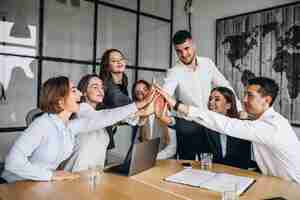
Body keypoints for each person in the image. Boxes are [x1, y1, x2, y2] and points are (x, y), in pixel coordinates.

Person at [1, 76, 155, 183]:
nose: (80, 94)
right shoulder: (41, 125)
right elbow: (12, 164)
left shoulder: (69, 127)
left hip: (41, 183)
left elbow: (106, 117)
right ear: (60, 101)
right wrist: (50, 176)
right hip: (15, 185)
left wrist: (143, 108)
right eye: (74, 90)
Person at [157, 77, 300, 183]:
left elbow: (226, 124)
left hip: (293, 187)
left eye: (250, 95)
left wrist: (176, 105)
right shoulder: (261, 122)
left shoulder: (271, 127)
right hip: (275, 182)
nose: (243, 100)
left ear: (267, 100)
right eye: (244, 94)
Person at [163, 30, 240, 160]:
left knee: (210, 164)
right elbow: (165, 96)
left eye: (186, 48)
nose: (184, 54)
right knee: (187, 165)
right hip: (188, 125)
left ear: (193, 45)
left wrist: (239, 109)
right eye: (179, 51)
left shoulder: (207, 63)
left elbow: (225, 85)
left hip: (209, 122)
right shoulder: (174, 72)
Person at [208, 87, 252, 169]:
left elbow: (245, 160)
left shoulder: (241, 127)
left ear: (228, 105)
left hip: (237, 174)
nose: (211, 102)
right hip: (210, 173)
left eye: (217, 99)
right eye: (210, 99)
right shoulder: (205, 127)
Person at [132, 80, 176, 159]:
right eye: (138, 93)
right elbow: (136, 144)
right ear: (137, 99)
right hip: (146, 162)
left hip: (165, 162)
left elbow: (172, 148)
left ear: (151, 91)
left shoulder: (166, 112)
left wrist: (153, 157)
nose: (144, 94)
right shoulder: (139, 118)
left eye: (145, 90)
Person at [99, 48, 132, 149]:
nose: (118, 62)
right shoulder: (106, 84)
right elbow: (127, 105)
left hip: (108, 129)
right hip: (98, 131)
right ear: (107, 66)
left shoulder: (123, 81)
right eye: (113, 61)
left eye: (121, 59)